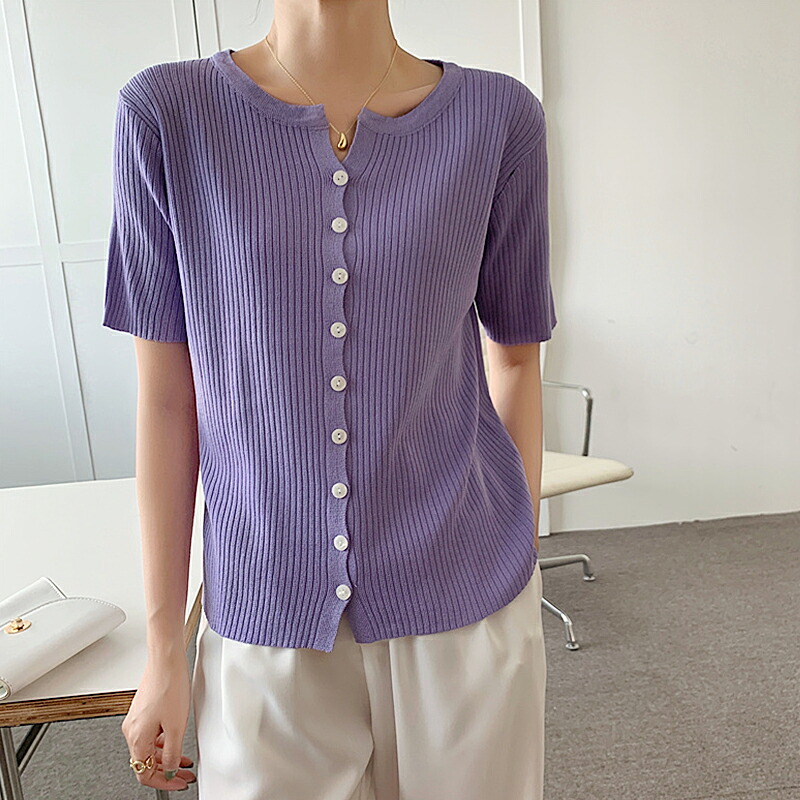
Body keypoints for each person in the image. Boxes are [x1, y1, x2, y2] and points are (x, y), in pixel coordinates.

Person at [106, 2, 556, 798]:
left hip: (469, 601)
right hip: (266, 608)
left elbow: (517, 358)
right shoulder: (167, 116)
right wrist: (164, 650)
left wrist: (518, 559)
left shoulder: (498, 119)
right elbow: (168, 400)